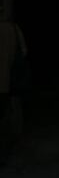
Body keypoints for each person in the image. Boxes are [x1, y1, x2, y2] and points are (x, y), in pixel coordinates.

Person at [0, 10, 28, 166]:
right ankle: (12, 140)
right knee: (11, 109)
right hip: (10, 77)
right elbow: (23, 51)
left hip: (7, 78)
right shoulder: (13, 29)